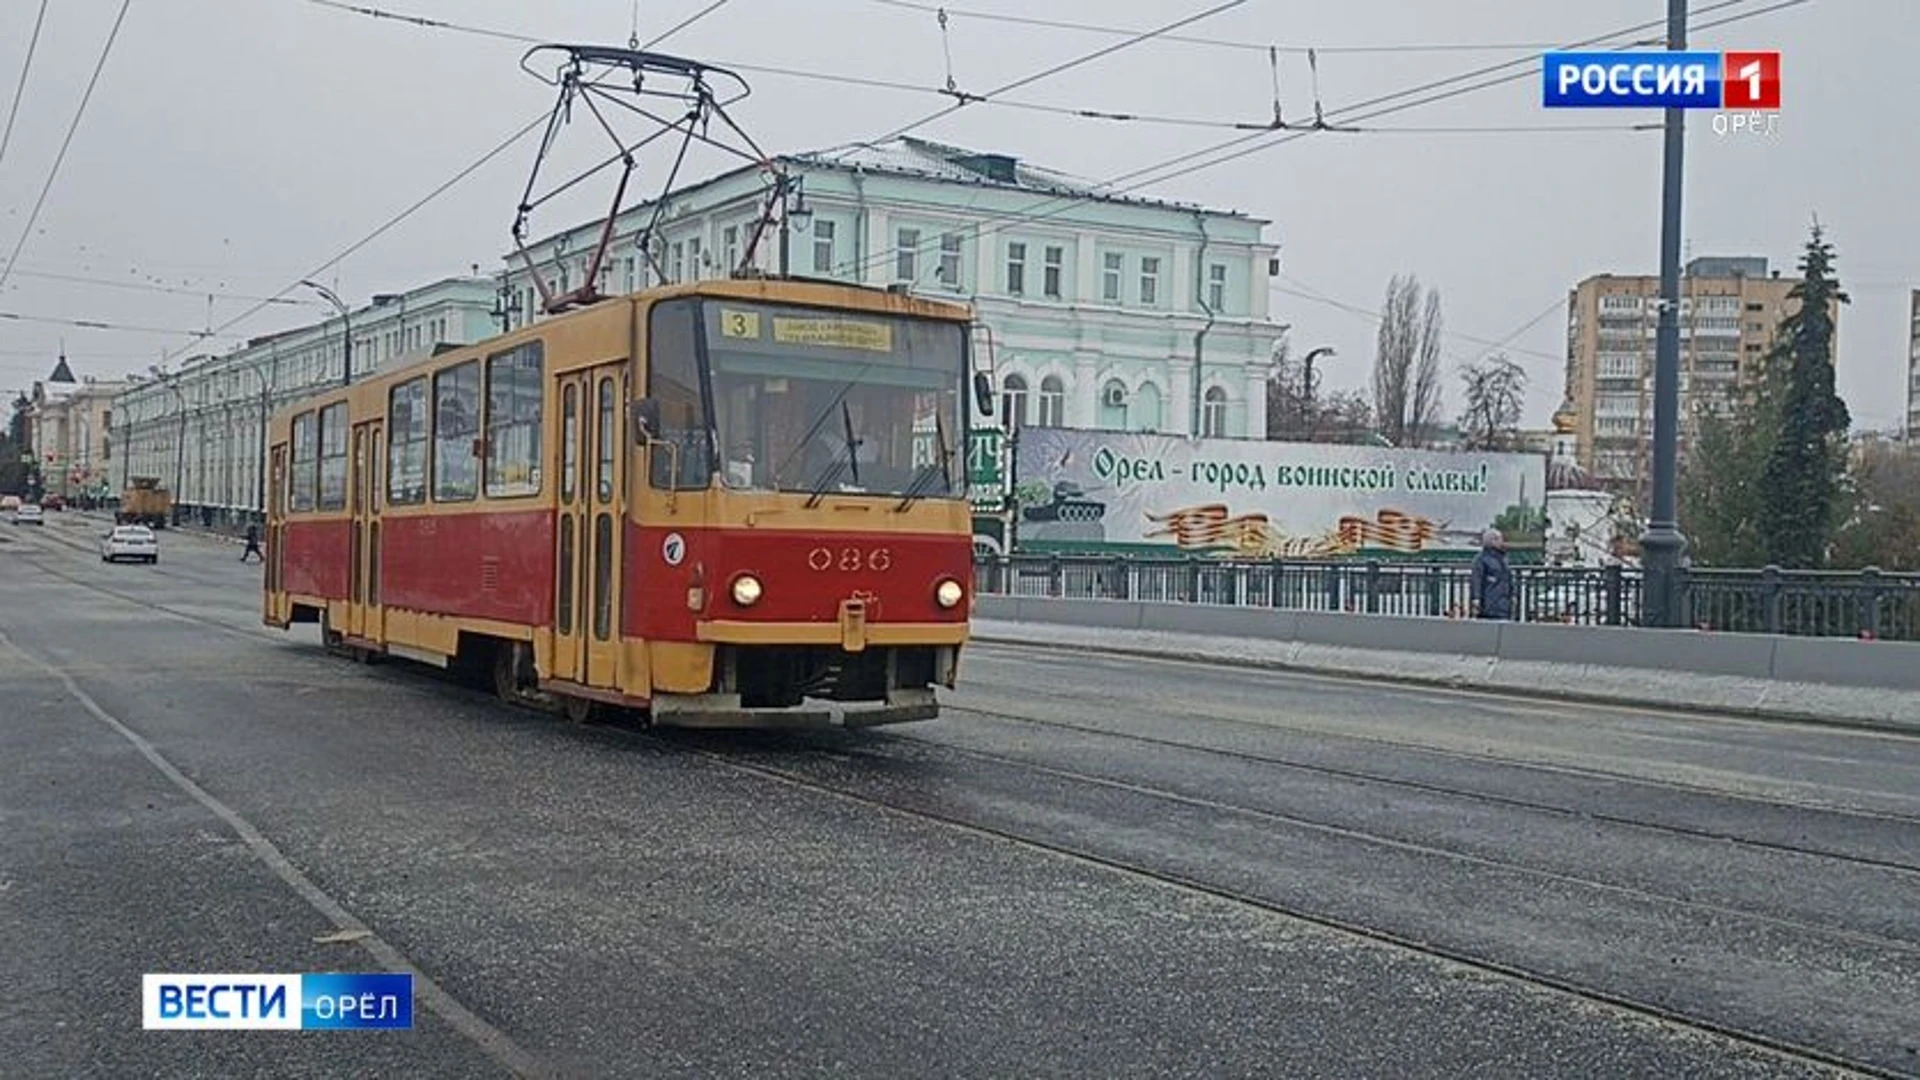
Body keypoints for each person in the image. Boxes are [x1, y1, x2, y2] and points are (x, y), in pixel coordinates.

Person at [1469, 527, 1513, 620]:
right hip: (1489, 603)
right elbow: (1476, 579)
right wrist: (1476, 598)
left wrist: (1512, 594)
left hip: (1503, 603)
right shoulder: (1481, 559)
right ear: (1493, 541)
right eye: (1500, 539)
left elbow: (1508, 578)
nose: (1502, 541)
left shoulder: (1503, 557)